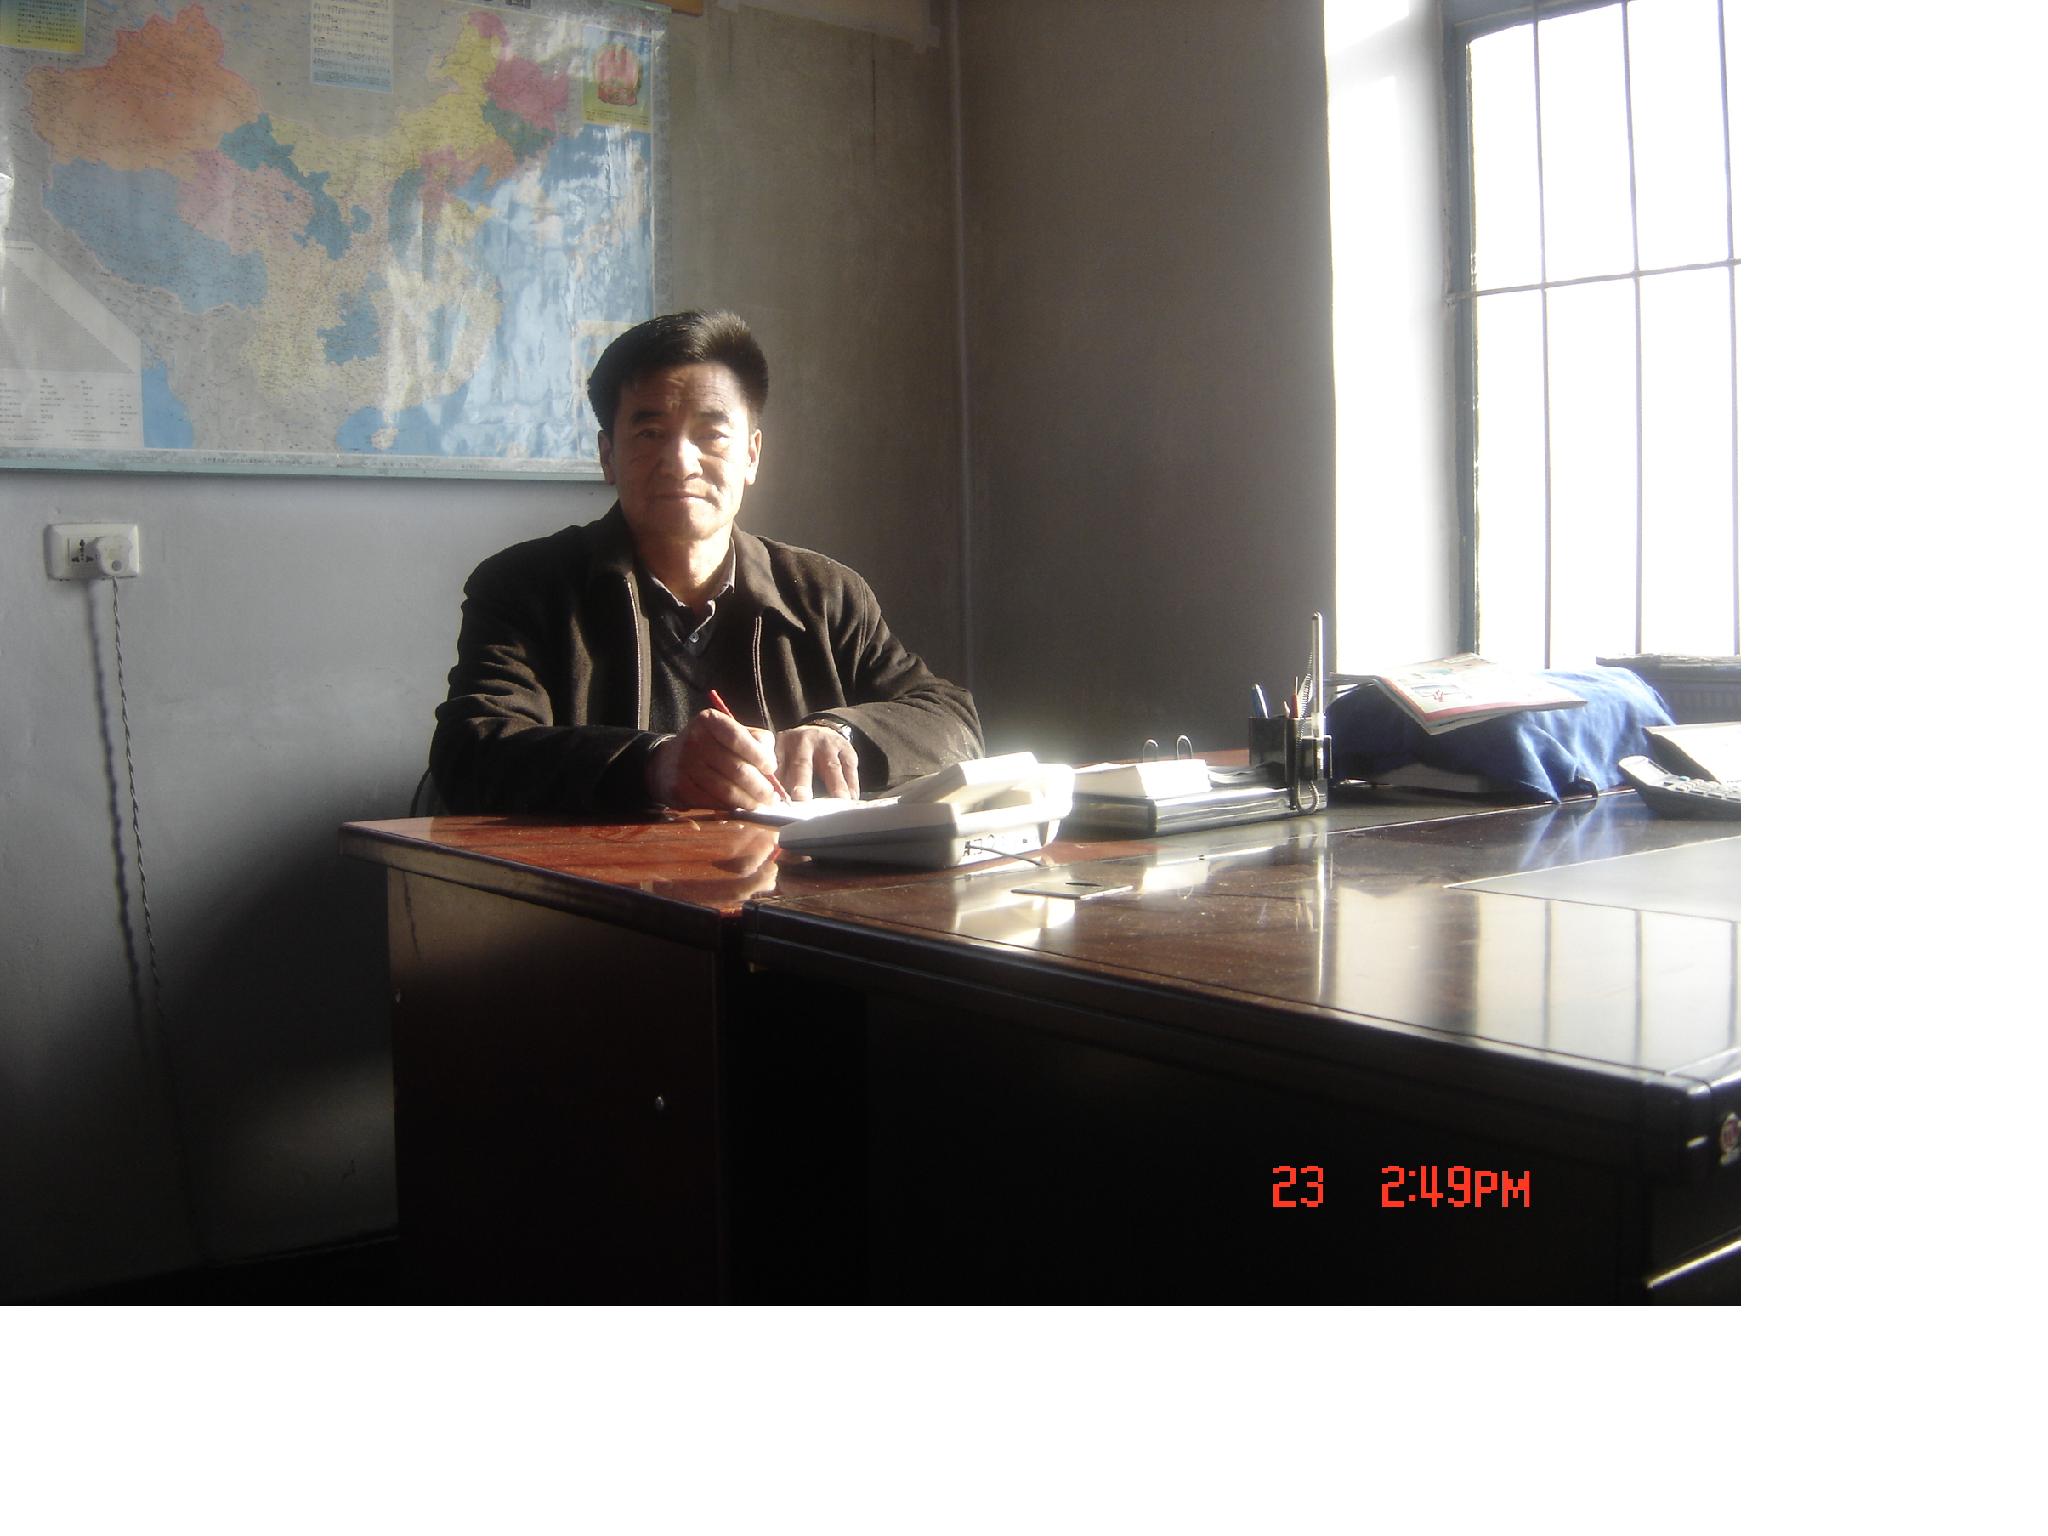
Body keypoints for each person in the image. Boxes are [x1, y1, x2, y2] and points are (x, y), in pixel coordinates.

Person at [430, 310, 982, 813]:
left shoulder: (825, 593)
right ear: (608, 456)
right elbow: (470, 752)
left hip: (794, 884)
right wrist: (653, 766)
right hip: (602, 888)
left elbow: (952, 720)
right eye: (650, 434)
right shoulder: (524, 587)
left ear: (751, 455)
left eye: (711, 434)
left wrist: (841, 733)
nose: (680, 462)